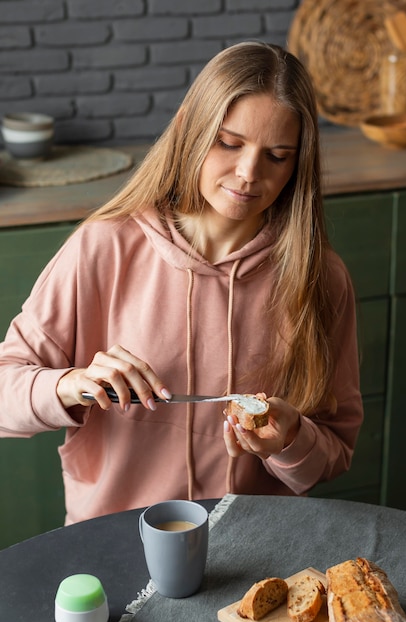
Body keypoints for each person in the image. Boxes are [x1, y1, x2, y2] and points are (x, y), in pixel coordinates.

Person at [0, 41, 363, 525]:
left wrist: (293, 437)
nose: (248, 173)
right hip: (114, 541)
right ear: (192, 131)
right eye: (229, 143)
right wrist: (72, 384)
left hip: (253, 550)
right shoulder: (103, 247)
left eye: (276, 156)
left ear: (297, 165)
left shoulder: (322, 279)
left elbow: (334, 454)